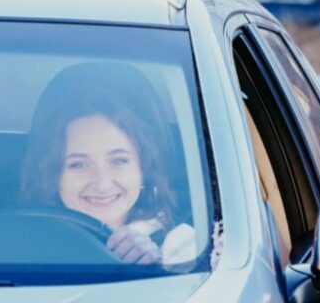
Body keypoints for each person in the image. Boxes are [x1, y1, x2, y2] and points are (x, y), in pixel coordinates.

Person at [19, 62, 197, 267]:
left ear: (144, 168)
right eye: (78, 165)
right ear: (52, 175)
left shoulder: (184, 249)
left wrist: (157, 268)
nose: (102, 184)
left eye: (119, 161)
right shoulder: (18, 247)